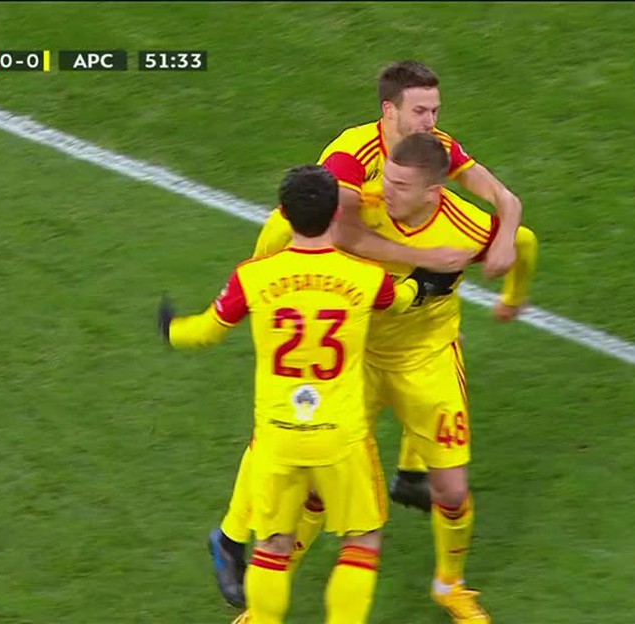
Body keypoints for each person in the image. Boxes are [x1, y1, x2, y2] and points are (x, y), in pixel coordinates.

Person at [210, 60, 530, 608]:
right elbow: (332, 233)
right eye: (420, 111)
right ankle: (241, 556)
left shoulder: (436, 158)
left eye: (435, 110)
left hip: (423, 356)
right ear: (389, 110)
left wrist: (508, 271)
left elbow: (511, 213)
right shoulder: (351, 164)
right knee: (305, 474)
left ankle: (448, 582)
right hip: (351, 353)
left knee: (450, 489)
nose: (432, 122)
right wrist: (423, 259)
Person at [163, 164, 459, 623]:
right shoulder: (364, 277)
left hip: (278, 437)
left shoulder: (253, 277)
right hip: (341, 437)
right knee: (362, 541)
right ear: (337, 212)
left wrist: (171, 329)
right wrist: (424, 282)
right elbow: (401, 301)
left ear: (283, 214)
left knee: (272, 545)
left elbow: (206, 331)